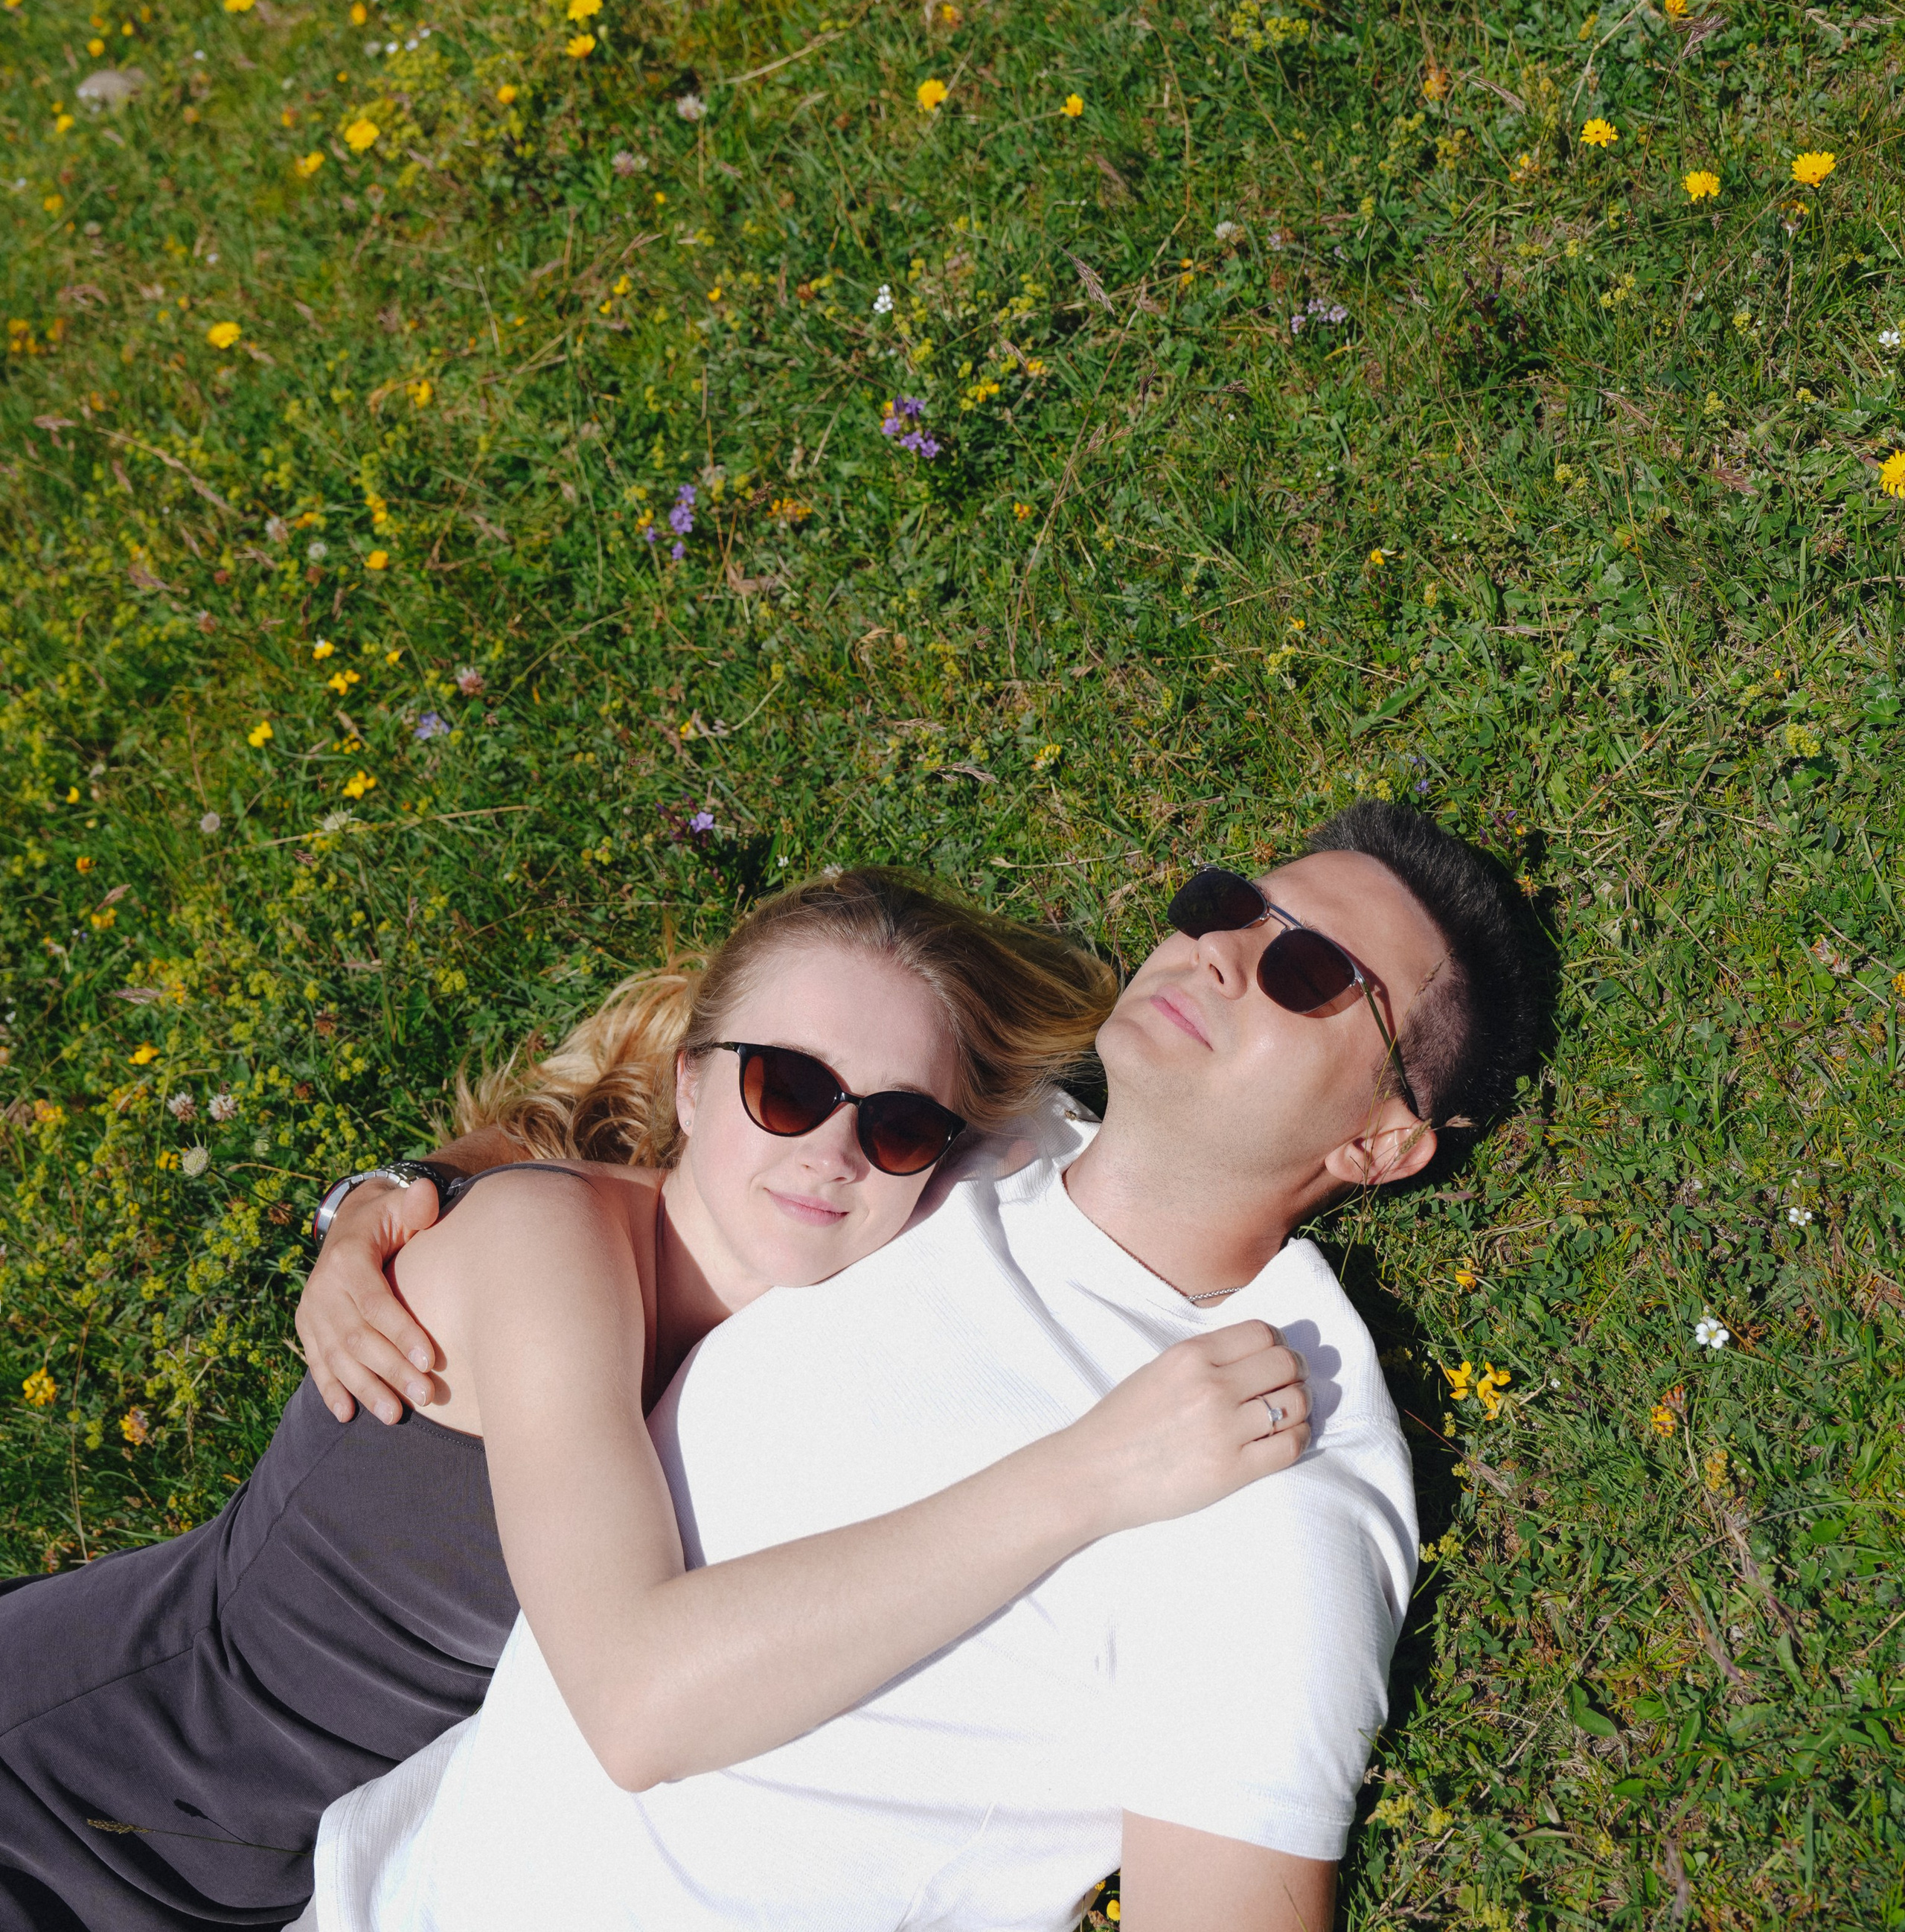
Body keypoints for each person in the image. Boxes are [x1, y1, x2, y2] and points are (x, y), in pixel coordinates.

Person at [305, 801, 1551, 1932]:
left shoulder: (1271, 1456)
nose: (1220, 949)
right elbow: (711, 1081)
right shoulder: (940, 1146)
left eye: (1310, 969)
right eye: (1228, 903)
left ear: (1383, 1142)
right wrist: (400, 1196)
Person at [0, 871, 1311, 1932]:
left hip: (272, 1872)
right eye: (784, 1087)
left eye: (898, 1123)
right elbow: (633, 1699)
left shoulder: (843, 1289)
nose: (830, 1153)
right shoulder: (549, 1249)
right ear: (691, 1080)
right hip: (69, 1784)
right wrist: (1088, 1476)